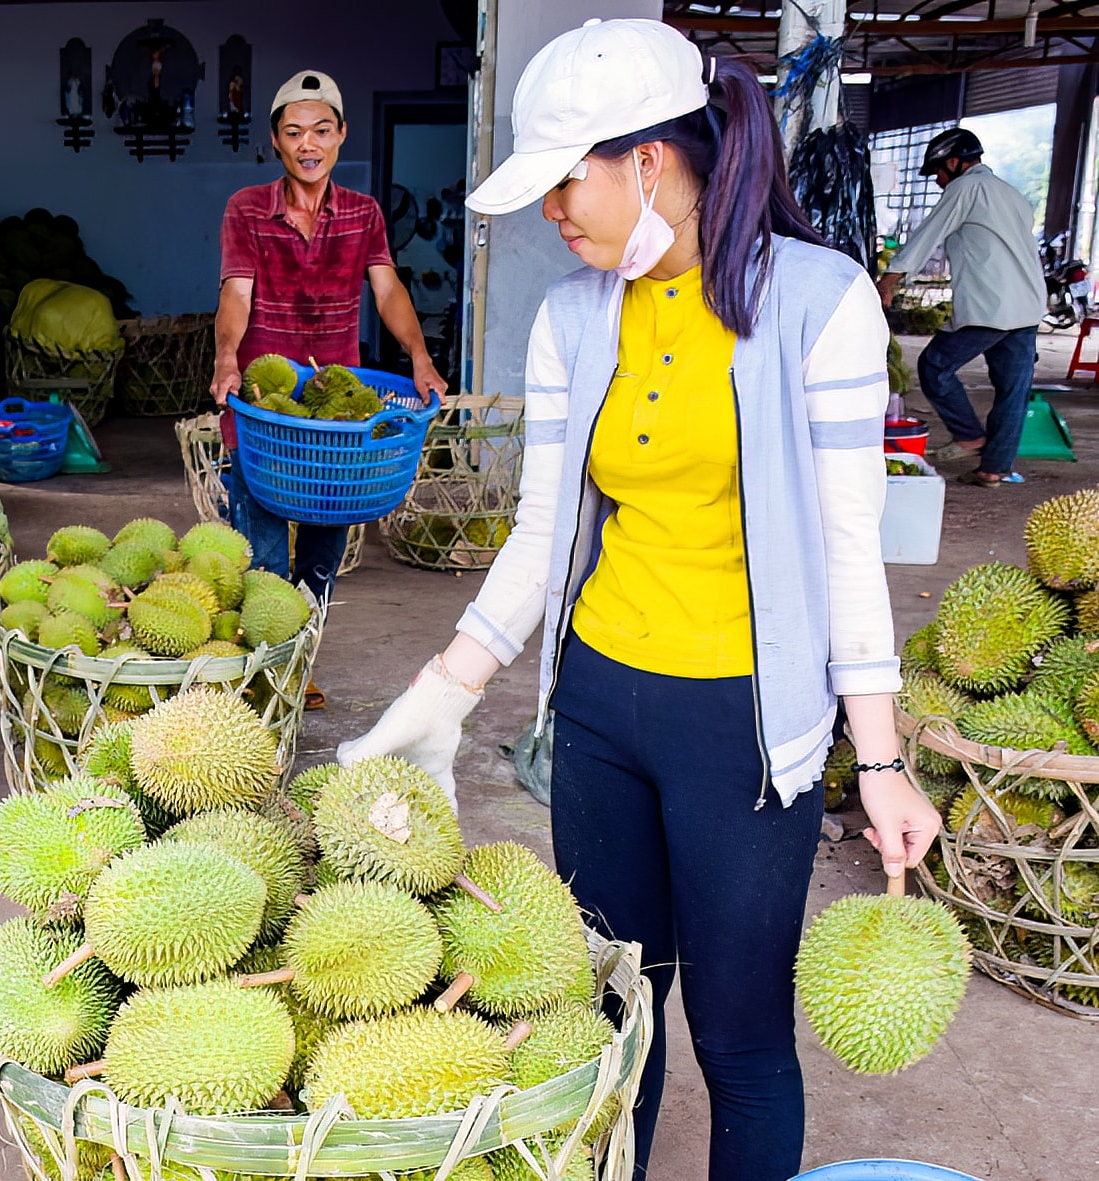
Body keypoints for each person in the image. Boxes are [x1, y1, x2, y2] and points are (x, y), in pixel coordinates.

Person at [337, 20, 940, 1181]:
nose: (552, 216)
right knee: (618, 1013)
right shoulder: (574, 313)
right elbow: (540, 530)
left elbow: (845, 552)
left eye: (566, 183)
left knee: (740, 1036)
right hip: (603, 706)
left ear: (649, 160)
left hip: (743, 728)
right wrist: (442, 693)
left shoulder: (818, 302)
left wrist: (876, 762)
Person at [209, 69, 447, 708]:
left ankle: (296, 666)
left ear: (341, 135)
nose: (307, 144)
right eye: (293, 133)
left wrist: (420, 358)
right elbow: (236, 291)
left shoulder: (364, 214)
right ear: (275, 141)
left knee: (320, 555)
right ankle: (260, 670)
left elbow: (388, 287)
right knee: (260, 555)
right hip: (263, 410)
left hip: (336, 417)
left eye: (320, 130)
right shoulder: (247, 209)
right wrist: (228, 359)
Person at [876, 127, 1044, 488]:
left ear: (954, 162)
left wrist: (889, 281)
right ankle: (994, 468)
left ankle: (969, 435)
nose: (937, 179)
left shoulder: (965, 187)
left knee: (935, 365)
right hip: (1028, 305)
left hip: (992, 306)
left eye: (938, 171)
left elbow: (928, 234)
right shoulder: (1010, 193)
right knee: (1012, 390)